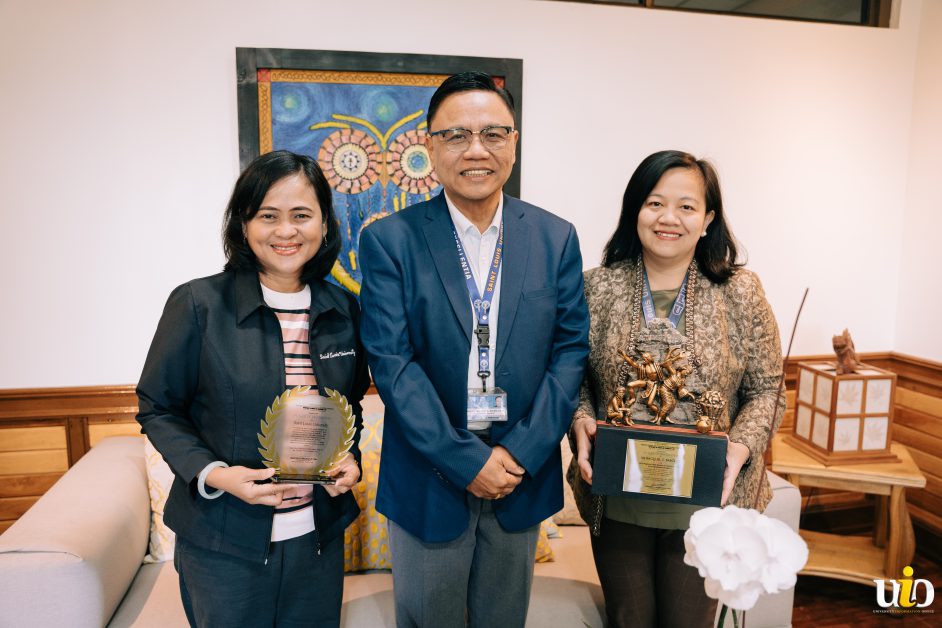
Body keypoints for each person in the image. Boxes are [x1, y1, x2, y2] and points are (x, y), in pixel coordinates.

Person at [358, 72, 590, 628]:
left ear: (514, 142)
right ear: (430, 146)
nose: (476, 150)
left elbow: (570, 350)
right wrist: (466, 460)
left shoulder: (554, 237)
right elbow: (392, 364)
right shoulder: (390, 239)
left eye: (493, 133)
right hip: (429, 476)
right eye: (457, 135)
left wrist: (520, 454)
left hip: (521, 473)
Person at [136, 150, 369, 628]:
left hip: (317, 540)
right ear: (243, 225)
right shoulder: (199, 304)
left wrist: (351, 459)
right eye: (268, 216)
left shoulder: (344, 309)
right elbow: (158, 407)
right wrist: (217, 475)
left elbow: (350, 407)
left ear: (324, 224)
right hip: (224, 543)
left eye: (302, 215)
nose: (286, 231)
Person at [568, 150, 784, 628]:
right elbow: (574, 376)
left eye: (686, 206)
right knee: (629, 619)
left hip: (709, 502)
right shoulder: (594, 287)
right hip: (619, 499)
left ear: (708, 219)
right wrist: (581, 418)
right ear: (635, 211)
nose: (669, 218)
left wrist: (741, 447)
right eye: (654, 203)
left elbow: (768, 389)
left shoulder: (741, 291)